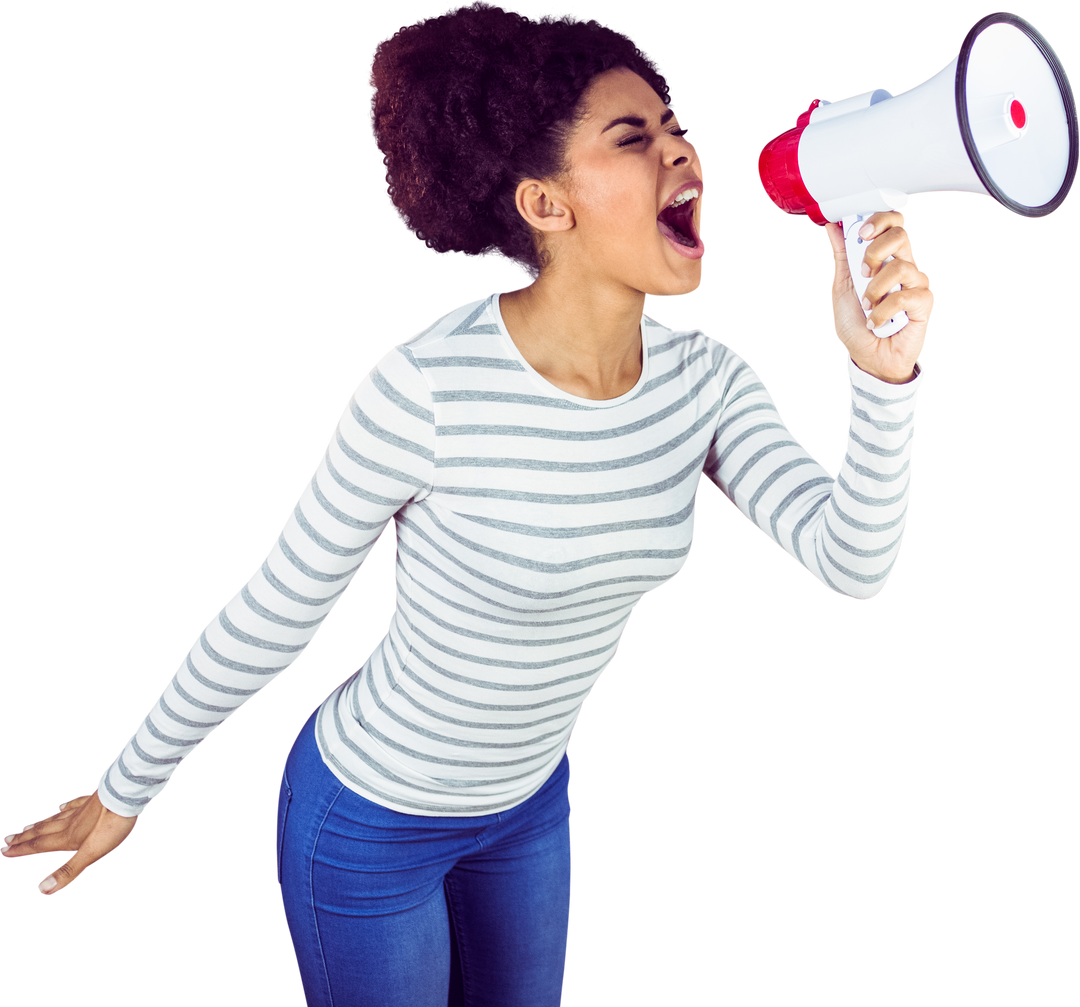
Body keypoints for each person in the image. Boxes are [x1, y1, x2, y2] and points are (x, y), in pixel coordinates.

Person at [0, 2, 934, 1004]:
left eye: (675, 126)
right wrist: (125, 789)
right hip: (366, 820)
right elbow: (278, 607)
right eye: (633, 137)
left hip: (530, 807)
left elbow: (855, 557)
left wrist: (882, 377)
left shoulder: (707, 382)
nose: (681, 152)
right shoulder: (424, 387)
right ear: (544, 204)